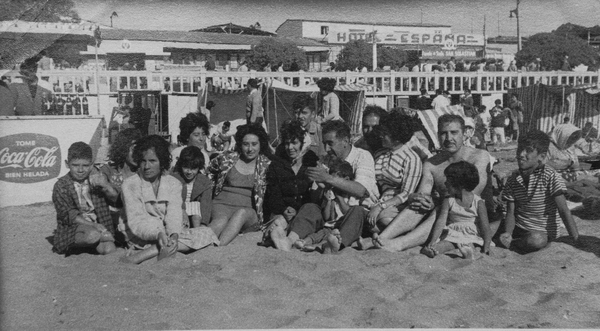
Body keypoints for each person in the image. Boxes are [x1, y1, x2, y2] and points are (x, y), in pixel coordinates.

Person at [367, 114, 495, 252]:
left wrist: (435, 201)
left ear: (464, 134)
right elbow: (423, 193)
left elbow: (468, 195)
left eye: (454, 132)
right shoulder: (432, 163)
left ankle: (400, 244)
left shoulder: (479, 156)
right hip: (447, 213)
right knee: (420, 204)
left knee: (444, 206)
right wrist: (419, 198)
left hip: (475, 216)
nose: (449, 138)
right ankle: (383, 238)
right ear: (437, 135)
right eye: (443, 133)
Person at [269, 120, 379, 251]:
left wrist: (328, 178)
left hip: (356, 217)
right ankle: (288, 241)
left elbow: (362, 190)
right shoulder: (325, 160)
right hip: (329, 217)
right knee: (310, 207)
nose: (326, 149)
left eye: (330, 143)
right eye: (324, 144)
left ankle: (336, 245)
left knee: (357, 211)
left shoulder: (362, 156)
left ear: (345, 141)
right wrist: (321, 188)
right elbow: (315, 199)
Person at [120, 135, 218, 264]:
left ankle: (156, 250)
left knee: (207, 233)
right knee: (188, 242)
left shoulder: (173, 183)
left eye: (152, 161)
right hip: (140, 233)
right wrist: (159, 234)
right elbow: (137, 221)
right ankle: (147, 254)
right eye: (143, 161)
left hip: (166, 233)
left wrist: (174, 235)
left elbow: (174, 214)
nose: (146, 166)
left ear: (162, 161)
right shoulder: (130, 184)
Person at [499, 130, 579, 253]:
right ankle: (510, 239)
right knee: (491, 225)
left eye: (528, 151)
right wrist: (508, 233)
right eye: (520, 149)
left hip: (542, 232)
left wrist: (576, 239)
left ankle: (514, 243)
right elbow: (511, 211)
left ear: (541, 156)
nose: (521, 154)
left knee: (536, 240)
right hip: (519, 227)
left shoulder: (550, 176)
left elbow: (563, 210)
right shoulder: (513, 178)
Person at [207, 124, 272, 246]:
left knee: (241, 213)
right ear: (240, 144)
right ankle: (188, 244)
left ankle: (218, 247)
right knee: (220, 222)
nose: (250, 149)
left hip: (248, 212)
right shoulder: (227, 158)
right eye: (246, 144)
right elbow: (208, 171)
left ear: (261, 144)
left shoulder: (266, 165)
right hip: (221, 204)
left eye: (254, 144)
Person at [51, 142, 117, 255]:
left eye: (85, 166)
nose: (80, 170)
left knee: (109, 250)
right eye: (75, 165)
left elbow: (116, 201)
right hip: (74, 228)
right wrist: (94, 225)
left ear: (91, 165)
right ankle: (75, 244)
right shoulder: (61, 185)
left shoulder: (96, 180)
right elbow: (70, 215)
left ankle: (93, 243)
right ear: (67, 164)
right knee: (92, 235)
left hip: (98, 225)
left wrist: (107, 186)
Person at [365, 112, 423, 235]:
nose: (381, 136)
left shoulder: (411, 159)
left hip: (398, 204)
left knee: (384, 220)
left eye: (385, 134)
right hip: (378, 200)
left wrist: (381, 207)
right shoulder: (379, 154)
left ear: (397, 138)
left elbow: (407, 194)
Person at [263, 120, 320, 244]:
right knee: (278, 218)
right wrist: (284, 209)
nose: (290, 148)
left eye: (294, 143)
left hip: (303, 211)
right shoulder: (277, 165)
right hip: (283, 211)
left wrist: (297, 209)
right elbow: (273, 194)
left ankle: (285, 237)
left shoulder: (310, 162)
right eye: (287, 143)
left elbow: (312, 195)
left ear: (302, 143)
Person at [421, 161, 492, 259]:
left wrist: (487, 246)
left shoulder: (478, 202)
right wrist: (433, 240)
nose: (445, 183)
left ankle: (469, 252)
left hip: (471, 234)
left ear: (459, 184)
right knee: (445, 244)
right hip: (453, 232)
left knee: (474, 243)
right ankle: (434, 250)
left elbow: (485, 226)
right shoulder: (449, 200)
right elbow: (441, 221)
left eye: (448, 181)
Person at [293, 159, 355, 254]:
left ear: (346, 180)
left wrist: (339, 198)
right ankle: (304, 242)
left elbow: (349, 213)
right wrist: (329, 201)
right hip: (330, 226)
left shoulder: (351, 195)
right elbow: (327, 217)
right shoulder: (331, 193)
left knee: (330, 236)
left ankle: (319, 246)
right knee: (320, 233)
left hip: (343, 227)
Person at [98, 128, 143, 243]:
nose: (138, 154)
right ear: (123, 149)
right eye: (134, 149)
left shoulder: (144, 171)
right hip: (112, 224)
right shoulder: (109, 170)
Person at [172, 146, 213, 228]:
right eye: (186, 167)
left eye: (193, 168)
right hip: (178, 207)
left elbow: (206, 204)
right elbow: (175, 199)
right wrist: (183, 211)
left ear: (199, 167)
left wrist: (204, 222)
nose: (189, 172)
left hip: (194, 211)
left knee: (196, 210)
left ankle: (197, 231)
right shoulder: (175, 178)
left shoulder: (204, 182)